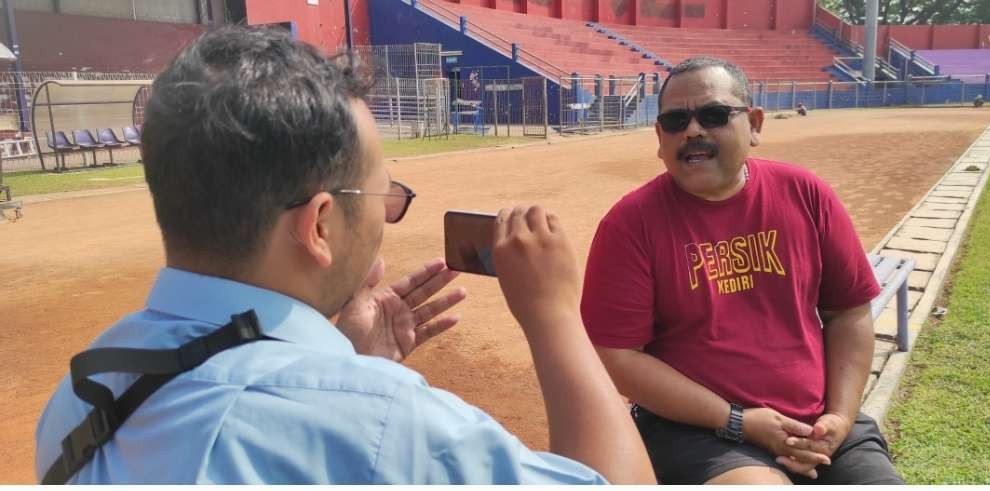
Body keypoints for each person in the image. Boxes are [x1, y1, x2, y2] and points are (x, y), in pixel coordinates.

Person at [34, 26, 654, 485]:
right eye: (385, 195)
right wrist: (554, 317)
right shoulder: (387, 428)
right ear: (320, 224)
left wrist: (351, 359)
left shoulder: (82, 391)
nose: (387, 213)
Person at [580, 57, 905, 485]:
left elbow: (848, 311)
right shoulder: (630, 225)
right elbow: (618, 357)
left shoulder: (806, 195)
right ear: (660, 138)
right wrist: (739, 421)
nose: (693, 130)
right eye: (675, 121)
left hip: (817, 419)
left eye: (714, 115)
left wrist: (839, 420)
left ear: (753, 125)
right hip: (697, 431)